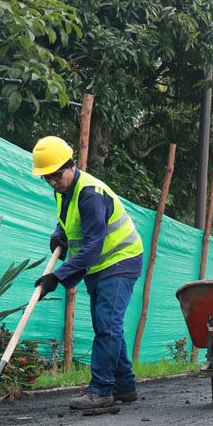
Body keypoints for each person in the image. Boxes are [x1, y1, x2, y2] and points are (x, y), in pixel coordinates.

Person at [30, 136, 144, 410]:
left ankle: (102, 391)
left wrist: (57, 277)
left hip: (120, 260)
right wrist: (59, 236)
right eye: (47, 178)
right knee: (107, 325)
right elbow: (66, 221)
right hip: (100, 266)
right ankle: (125, 386)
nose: (52, 182)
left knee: (107, 325)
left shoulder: (90, 193)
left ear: (70, 166)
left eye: (55, 175)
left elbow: (94, 245)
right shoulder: (63, 191)